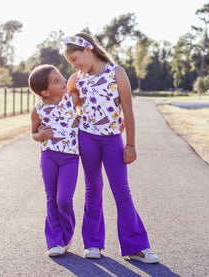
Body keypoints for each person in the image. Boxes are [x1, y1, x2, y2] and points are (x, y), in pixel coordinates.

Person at [64, 33, 160, 264]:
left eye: (75, 59)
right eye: (71, 63)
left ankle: (136, 248)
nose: (75, 65)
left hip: (112, 140)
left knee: (121, 191)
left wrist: (131, 144)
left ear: (88, 49)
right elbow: (70, 96)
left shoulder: (116, 73)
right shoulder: (77, 78)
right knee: (93, 189)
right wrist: (75, 97)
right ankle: (93, 244)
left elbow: (128, 110)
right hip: (87, 138)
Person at [28, 64, 80, 257]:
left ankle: (67, 235)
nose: (63, 80)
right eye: (56, 80)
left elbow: (79, 86)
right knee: (51, 200)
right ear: (44, 91)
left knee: (64, 200)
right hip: (48, 156)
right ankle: (54, 241)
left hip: (70, 158)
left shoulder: (71, 99)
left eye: (60, 76)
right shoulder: (38, 110)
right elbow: (33, 133)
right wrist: (40, 134)